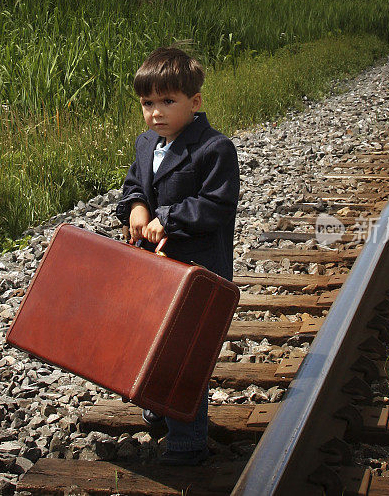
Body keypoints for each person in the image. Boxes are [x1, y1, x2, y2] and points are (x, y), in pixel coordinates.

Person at [114, 47, 240, 466]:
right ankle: (159, 406)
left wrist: (167, 218)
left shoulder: (214, 149)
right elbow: (135, 185)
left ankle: (187, 442)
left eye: (168, 102)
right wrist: (136, 207)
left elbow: (216, 206)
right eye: (148, 103)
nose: (156, 113)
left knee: (186, 352)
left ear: (195, 102)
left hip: (198, 268)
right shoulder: (147, 143)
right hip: (156, 268)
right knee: (153, 338)